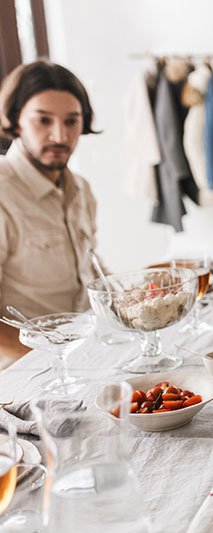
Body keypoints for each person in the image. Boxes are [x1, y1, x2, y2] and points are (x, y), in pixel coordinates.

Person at [0, 60, 100, 365]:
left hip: (88, 353)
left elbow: (90, 270)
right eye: (43, 120)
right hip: (22, 373)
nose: (60, 135)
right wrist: (45, 361)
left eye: (72, 121)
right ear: (16, 121)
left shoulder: (81, 189)